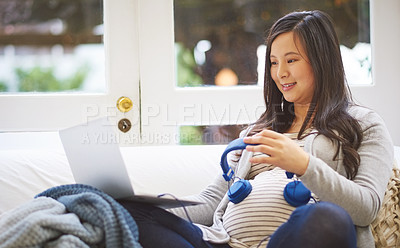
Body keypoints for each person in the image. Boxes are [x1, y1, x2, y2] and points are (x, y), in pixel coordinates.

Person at [119, 10, 394, 248]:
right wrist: (152, 206)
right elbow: (211, 200)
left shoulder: (363, 124)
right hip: (222, 242)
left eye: (291, 60)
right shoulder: (256, 131)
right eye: (274, 62)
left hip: (298, 236)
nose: (280, 73)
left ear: (323, 61)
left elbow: (366, 207)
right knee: (125, 213)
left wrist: (304, 165)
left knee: (327, 219)